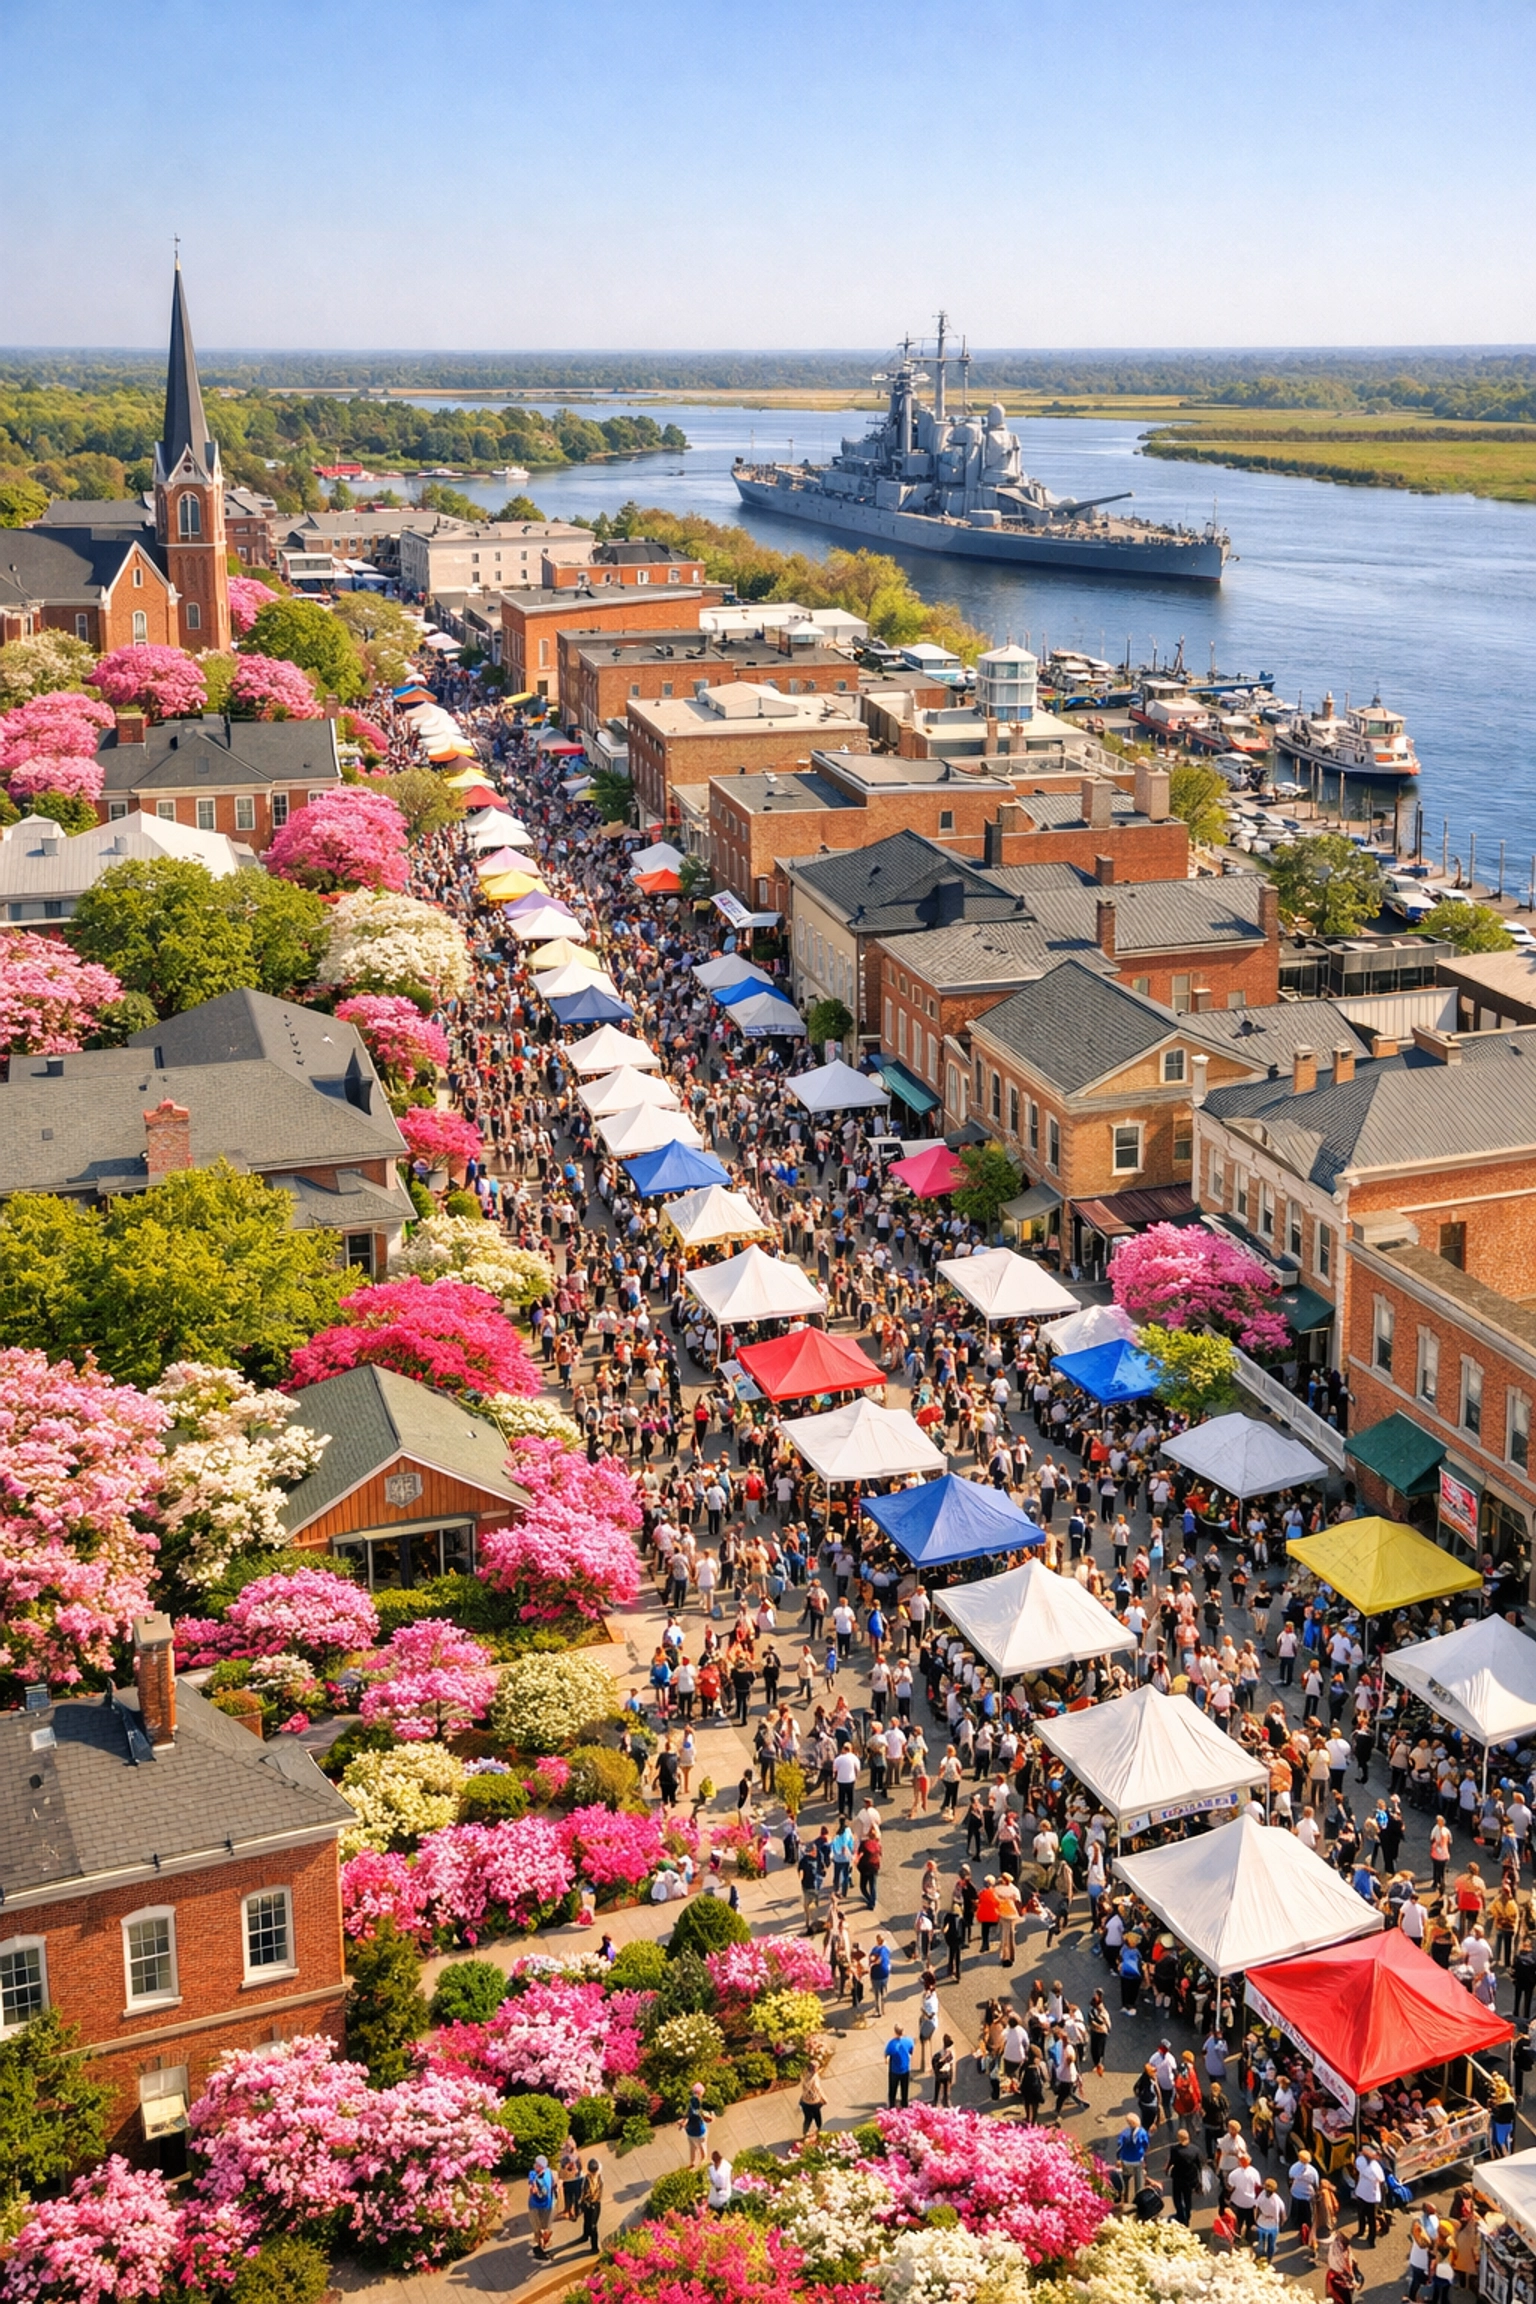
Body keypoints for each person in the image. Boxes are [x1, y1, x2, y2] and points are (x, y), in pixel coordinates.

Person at [1168, 2127, 1203, 2227]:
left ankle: (1180, 2215)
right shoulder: (1195, 2149)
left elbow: (1172, 2162)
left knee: (1177, 2198)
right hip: (1190, 2178)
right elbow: (1199, 2165)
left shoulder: (1175, 2150)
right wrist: (1199, 2180)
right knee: (1188, 2198)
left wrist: (1167, 2169)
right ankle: (1187, 2216)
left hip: (1178, 2177)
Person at [527, 2154, 557, 2259]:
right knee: (541, 2228)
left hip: (538, 2206)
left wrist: (535, 2190)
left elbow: (533, 2190)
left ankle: (542, 2244)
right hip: (544, 2205)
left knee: (540, 2227)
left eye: (536, 2164)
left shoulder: (539, 2175)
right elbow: (554, 2185)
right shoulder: (545, 2172)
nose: (534, 2165)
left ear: (540, 2166)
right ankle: (541, 2245)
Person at [1255, 2178, 1286, 2261]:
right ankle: (1269, 2258)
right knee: (1271, 2244)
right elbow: (1283, 2214)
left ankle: (1260, 2257)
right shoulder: (1277, 2200)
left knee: (1261, 2243)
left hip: (1261, 2223)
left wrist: (1256, 2220)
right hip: (1273, 2225)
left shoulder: (1262, 2195)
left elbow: (1257, 2208)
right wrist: (1281, 2225)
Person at [1325, 2231, 1360, 2304]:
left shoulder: (1333, 2246)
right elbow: (1346, 2269)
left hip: (1333, 2275)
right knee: (1344, 2300)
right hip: (1340, 2279)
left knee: (1337, 2299)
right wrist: (1353, 2281)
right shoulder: (1342, 2251)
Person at [885, 2023, 914, 2107]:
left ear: (895, 2032)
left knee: (892, 2090)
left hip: (894, 2071)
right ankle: (904, 2105)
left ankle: (892, 2105)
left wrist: (886, 2060)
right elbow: (911, 2051)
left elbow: (887, 2054)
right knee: (904, 2090)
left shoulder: (891, 2044)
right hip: (905, 2070)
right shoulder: (909, 2041)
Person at [684, 2080, 712, 2165]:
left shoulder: (688, 2101)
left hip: (689, 2130)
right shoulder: (696, 2103)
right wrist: (706, 2116)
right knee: (702, 2144)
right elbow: (699, 2114)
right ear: (700, 2093)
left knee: (692, 2147)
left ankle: (693, 2162)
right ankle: (703, 2161)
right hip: (699, 2130)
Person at [580, 2159, 604, 2255]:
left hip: (594, 2204)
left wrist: (582, 2201)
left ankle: (595, 2248)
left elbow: (585, 2192)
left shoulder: (595, 2178)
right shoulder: (590, 2178)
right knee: (586, 2220)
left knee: (593, 2225)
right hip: (591, 2203)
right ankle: (585, 2235)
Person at [799, 2063, 828, 2135]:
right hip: (814, 2102)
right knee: (817, 2116)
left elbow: (804, 2088)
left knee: (808, 2118)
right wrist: (824, 2099)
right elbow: (818, 2090)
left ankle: (805, 2132)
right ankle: (819, 2128)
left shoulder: (806, 2075)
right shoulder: (814, 2080)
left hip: (805, 2101)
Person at [932, 2032, 957, 2107]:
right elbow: (951, 2064)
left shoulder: (940, 2053)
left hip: (941, 2074)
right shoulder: (949, 2053)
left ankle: (937, 2101)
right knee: (945, 2091)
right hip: (945, 2073)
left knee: (938, 2090)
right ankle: (944, 2102)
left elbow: (935, 2063)